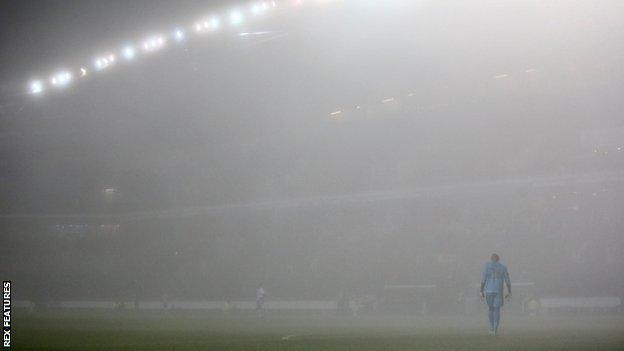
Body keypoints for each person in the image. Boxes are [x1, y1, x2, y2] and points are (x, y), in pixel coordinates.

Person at [480, 253, 511, 335]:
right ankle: (495, 329)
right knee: (496, 309)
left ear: (491, 259)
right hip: (498, 290)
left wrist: (481, 291)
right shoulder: (502, 267)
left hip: (489, 290)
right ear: (498, 259)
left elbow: (483, 279)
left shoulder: (487, 266)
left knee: (490, 309)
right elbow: (507, 280)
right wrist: (509, 291)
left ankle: (491, 327)